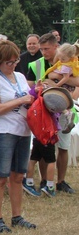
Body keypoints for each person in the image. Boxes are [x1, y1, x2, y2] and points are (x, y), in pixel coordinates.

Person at [0, 41, 36, 232]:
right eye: (9, 62)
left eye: (15, 61)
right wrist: (21, 99)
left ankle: (17, 216)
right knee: (0, 176)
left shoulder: (20, 77)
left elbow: (28, 99)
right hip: (4, 131)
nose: (13, 65)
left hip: (23, 130)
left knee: (18, 176)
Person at [25, 33, 75, 196]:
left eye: (47, 49)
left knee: (63, 147)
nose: (44, 52)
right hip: (43, 113)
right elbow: (30, 88)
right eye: (42, 49)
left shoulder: (70, 62)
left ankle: (60, 181)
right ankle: (45, 180)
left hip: (65, 111)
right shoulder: (36, 65)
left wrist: (55, 82)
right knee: (43, 147)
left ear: (56, 46)